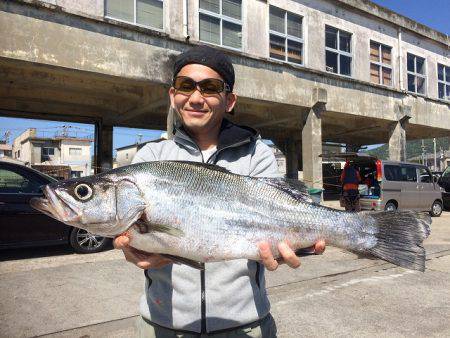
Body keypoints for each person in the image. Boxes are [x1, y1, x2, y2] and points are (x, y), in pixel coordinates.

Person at [114, 45, 325, 337]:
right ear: (173, 95)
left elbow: (280, 218)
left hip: (246, 326)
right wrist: (133, 252)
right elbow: (136, 242)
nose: (196, 98)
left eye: (210, 88)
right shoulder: (150, 158)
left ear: (229, 101)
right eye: (185, 86)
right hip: (163, 326)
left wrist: (301, 241)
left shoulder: (256, 155)